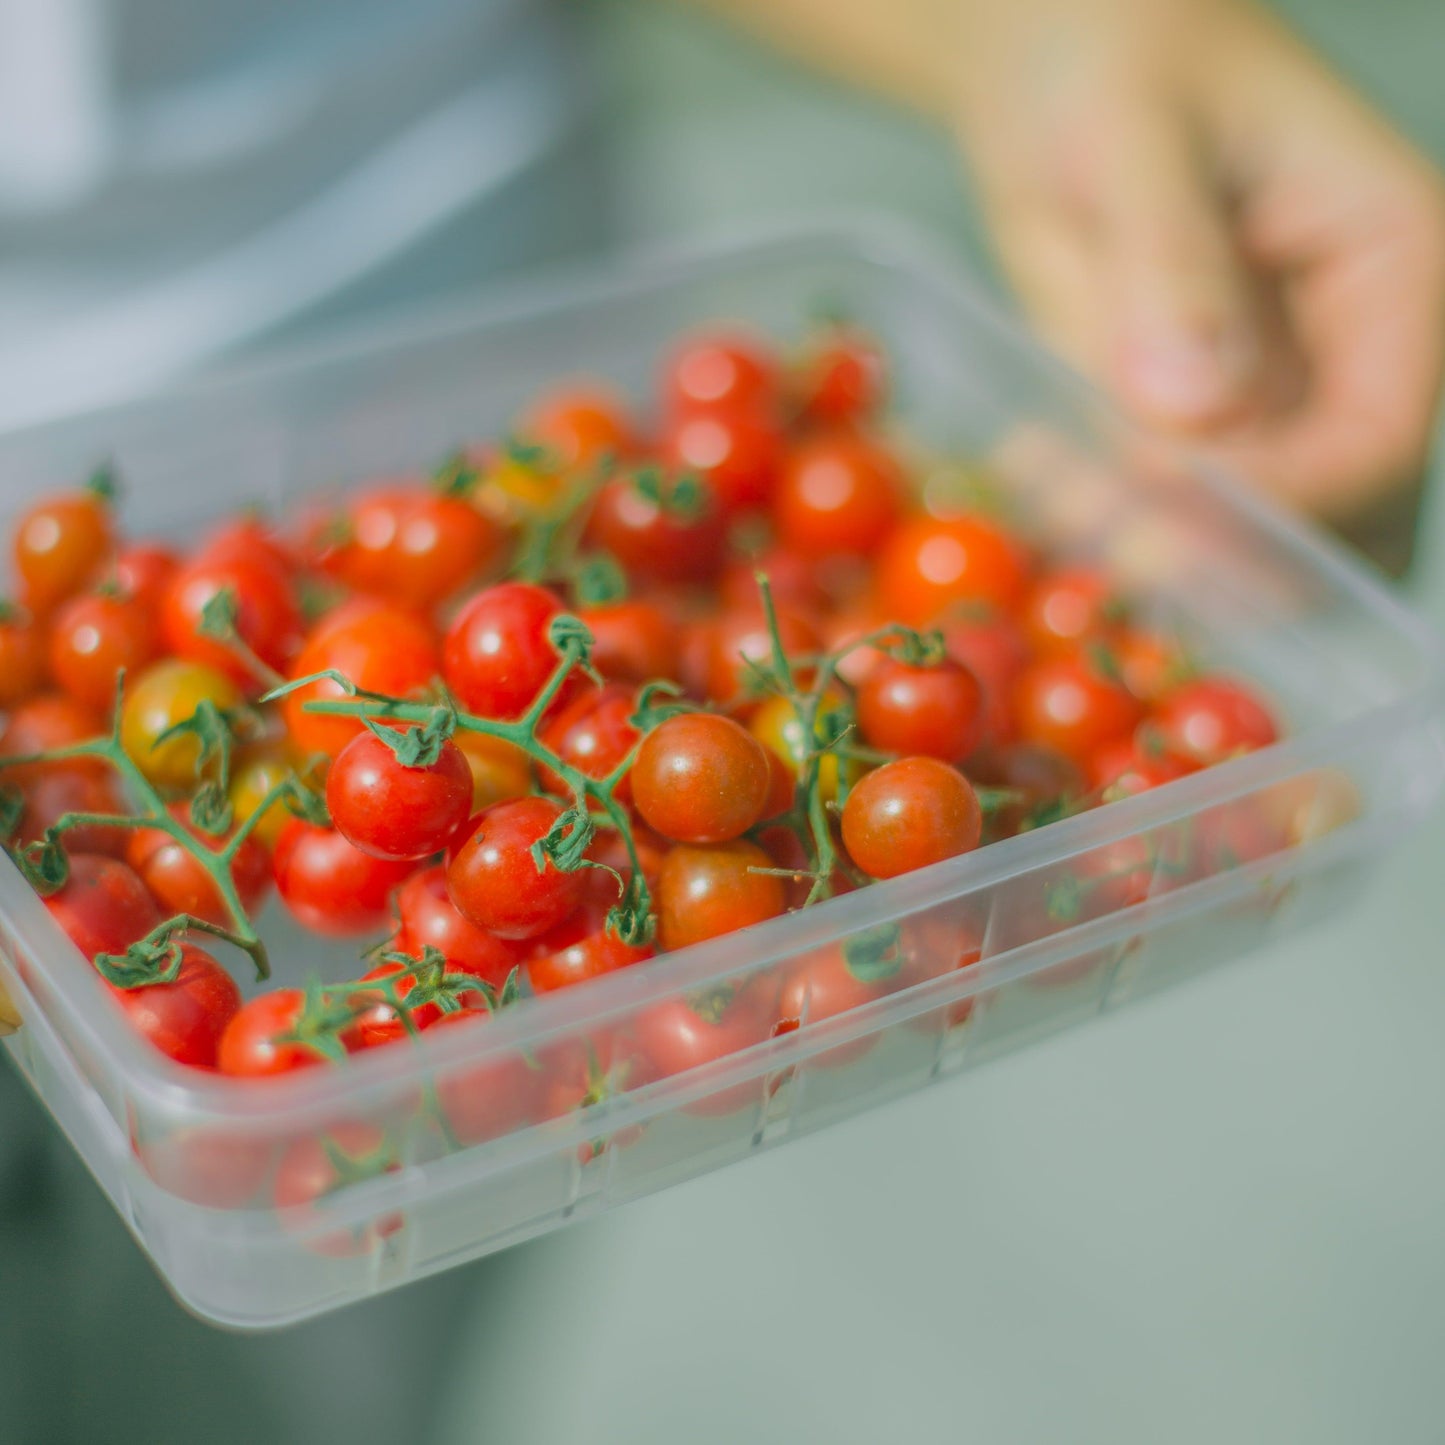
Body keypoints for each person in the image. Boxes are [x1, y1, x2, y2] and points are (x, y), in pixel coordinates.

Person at [0, 1, 1440, 1440]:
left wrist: (1043, 31)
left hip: (461, 248)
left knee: (381, 1261)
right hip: (91, 423)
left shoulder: (581, 715)